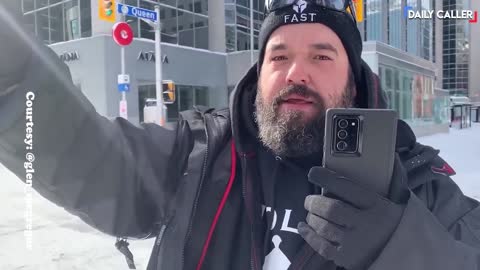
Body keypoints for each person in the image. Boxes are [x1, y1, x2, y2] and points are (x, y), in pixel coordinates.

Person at [1, 0, 479, 269]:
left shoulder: (416, 181)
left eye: (321, 56)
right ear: (259, 73)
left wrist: (404, 248)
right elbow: (84, 155)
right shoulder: (197, 155)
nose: (296, 72)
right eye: (278, 56)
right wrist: (15, 77)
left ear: (353, 77)